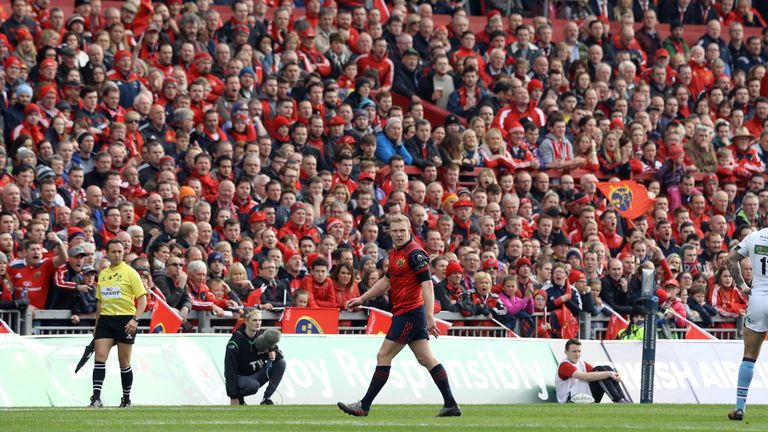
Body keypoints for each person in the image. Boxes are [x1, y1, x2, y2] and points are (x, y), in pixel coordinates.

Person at [337, 214, 460, 417]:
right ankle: (451, 404)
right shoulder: (395, 254)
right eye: (395, 231)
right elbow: (387, 281)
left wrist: (429, 316)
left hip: (410, 314)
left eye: (402, 230)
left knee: (383, 355)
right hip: (408, 313)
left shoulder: (414, 253)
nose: (399, 234)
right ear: (389, 233)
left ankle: (364, 406)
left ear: (409, 230)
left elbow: (427, 285)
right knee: (426, 358)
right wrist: (362, 298)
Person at [89, 239, 147, 408]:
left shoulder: (131, 273)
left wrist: (135, 319)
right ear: (107, 253)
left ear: (123, 253)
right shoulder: (103, 274)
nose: (117, 254)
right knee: (99, 357)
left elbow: (142, 300)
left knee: (124, 362)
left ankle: (126, 399)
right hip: (106, 320)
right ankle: (96, 398)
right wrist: (96, 325)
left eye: (119, 252)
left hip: (125, 320)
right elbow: (100, 302)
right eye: (113, 252)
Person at [725, 228, 768, 420]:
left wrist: (742, 285)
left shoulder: (755, 236)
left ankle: (740, 408)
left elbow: (730, 259)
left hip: (758, 298)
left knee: (749, 356)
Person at [224, 308, 285, 406]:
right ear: (246, 321)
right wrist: (233, 396)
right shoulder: (235, 342)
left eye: (260, 320)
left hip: (258, 374)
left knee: (281, 363)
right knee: (252, 385)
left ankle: (266, 399)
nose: (258, 323)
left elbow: (279, 354)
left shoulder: (262, 337)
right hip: (243, 379)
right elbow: (229, 371)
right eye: (255, 320)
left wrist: (273, 353)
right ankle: (240, 400)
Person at [555, 338, 630, 403]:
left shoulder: (580, 362)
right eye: (574, 351)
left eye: (579, 351)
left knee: (605, 368)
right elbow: (584, 377)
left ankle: (622, 398)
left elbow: (598, 372)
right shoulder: (564, 365)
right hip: (570, 400)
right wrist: (610, 373)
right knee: (603, 371)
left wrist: (616, 374)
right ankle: (618, 400)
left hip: (583, 395)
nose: (577, 354)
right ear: (566, 352)